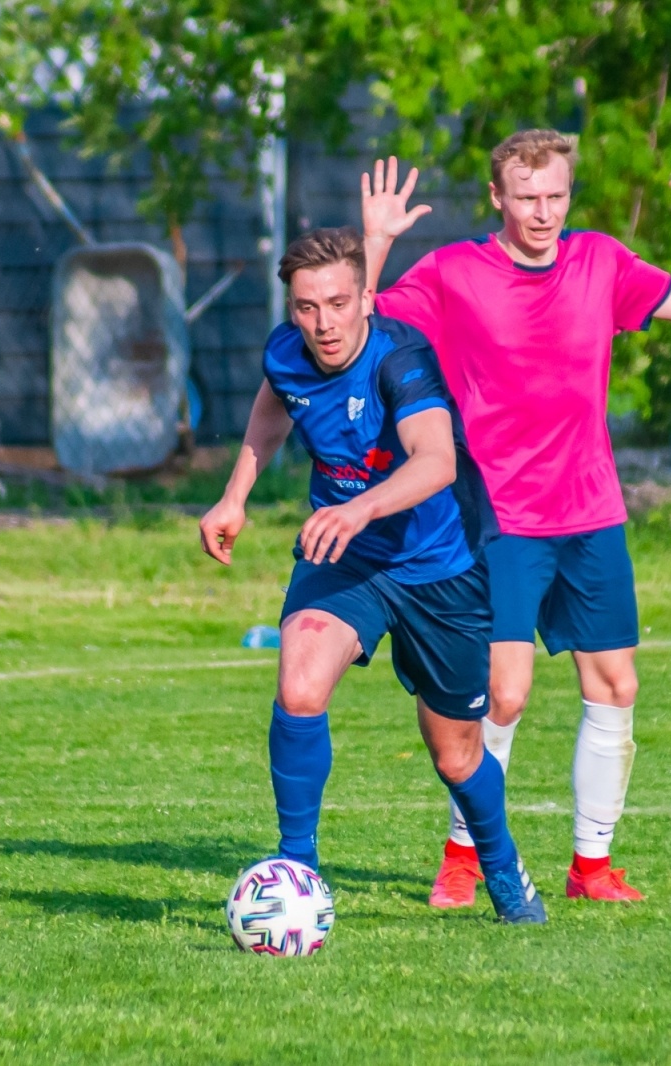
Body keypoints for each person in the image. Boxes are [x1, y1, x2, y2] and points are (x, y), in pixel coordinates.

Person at [359, 127, 671, 905]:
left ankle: (591, 867)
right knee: (505, 695)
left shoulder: (598, 260)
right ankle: (466, 855)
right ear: (497, 197)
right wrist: (375, 241)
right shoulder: (455, 272)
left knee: (615, 685)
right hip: (499, 516)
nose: (543, 211)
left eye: (555, 195)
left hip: (591, 510)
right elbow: (357, 325)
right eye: (526, 197)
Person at [199, 227, 545, 923]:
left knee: (455, 754)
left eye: (335, 303)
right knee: (298, 684)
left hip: (439, 570)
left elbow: (435, 462)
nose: (322, 323)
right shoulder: (287, 353)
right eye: (305, 307)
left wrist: (357, 509)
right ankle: (297, 869)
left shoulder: (402, 360)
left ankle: (504, 868)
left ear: (365, 297)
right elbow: (275, 405)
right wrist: (236, 493)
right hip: (347, 559)